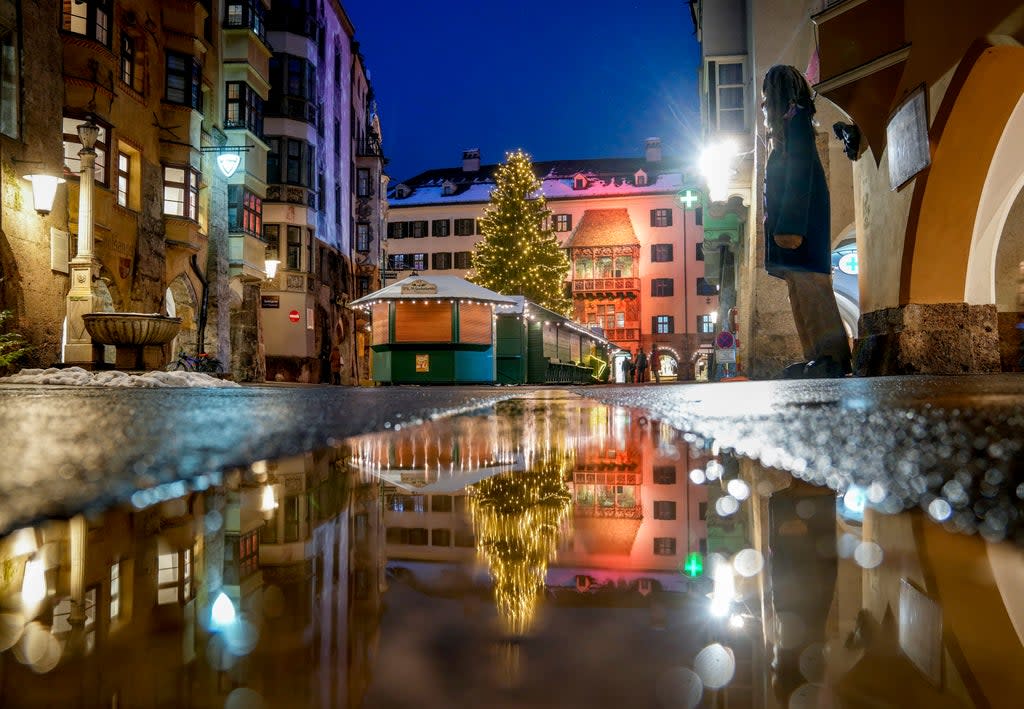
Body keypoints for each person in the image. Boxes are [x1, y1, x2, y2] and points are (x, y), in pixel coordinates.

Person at [762, 65, 852, 378]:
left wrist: (790, 226)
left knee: (813, 292)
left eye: (766, 96)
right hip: (792, 226)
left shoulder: (795, 119)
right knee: (800, 294)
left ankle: (833, 356)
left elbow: (800, 174)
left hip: (800, 227)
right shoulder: (788, 126)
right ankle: (815, 354)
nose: (763, 104)